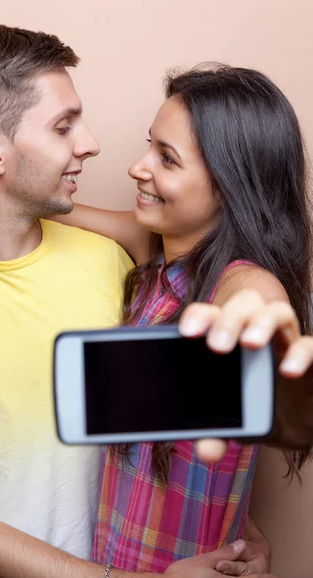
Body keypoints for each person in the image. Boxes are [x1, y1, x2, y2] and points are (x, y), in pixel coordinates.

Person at [0, 23, 275, 578]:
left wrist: (231, 533)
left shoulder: (118, 260)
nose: (92, 144)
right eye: (64, 126)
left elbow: (172, 433)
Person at [46, 64, 313, 574]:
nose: (137, 167)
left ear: (230, 185)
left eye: (166, 159)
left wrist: (265, 314)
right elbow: (48, 206)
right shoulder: (153, 247)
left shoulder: (238, 282)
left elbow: (255, 296)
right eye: (150, 145)